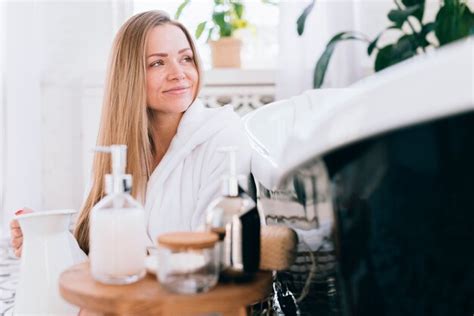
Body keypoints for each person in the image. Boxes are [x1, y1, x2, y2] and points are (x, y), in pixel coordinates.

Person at [10, 10, 251, 255]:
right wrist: (47, 240)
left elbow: (210, 256)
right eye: (157, 62)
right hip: (132, 290)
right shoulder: (117, 150)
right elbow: (97, 258)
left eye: (186, 58)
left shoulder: (223, 138)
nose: (178, 73)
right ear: (128, 76)